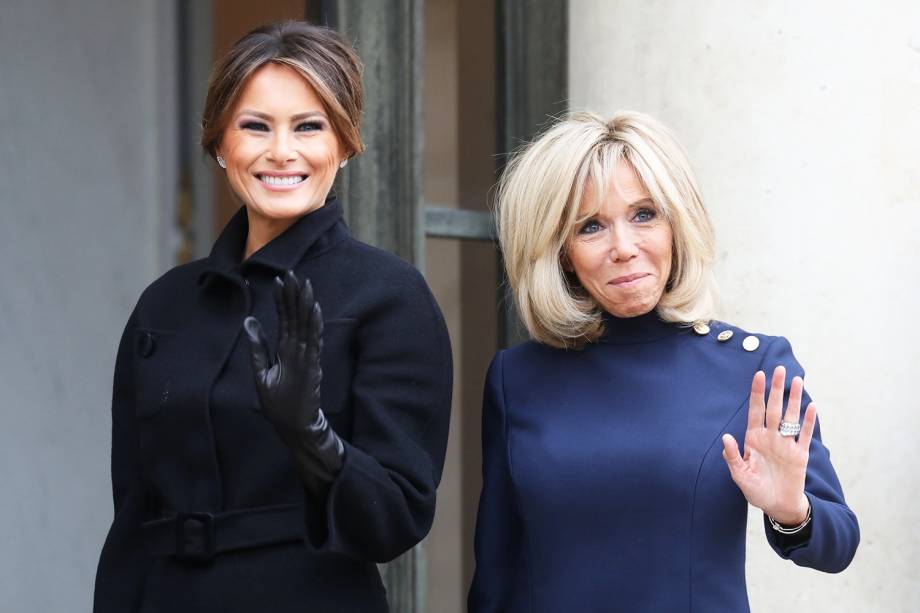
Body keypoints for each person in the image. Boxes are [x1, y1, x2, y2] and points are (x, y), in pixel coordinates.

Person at [93, 21, 452, 613]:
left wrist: (312, 437)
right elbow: (132, 512)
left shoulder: (389, 296)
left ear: (344, 143)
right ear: (218, 144)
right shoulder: (165, 303)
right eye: (255, 126)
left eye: (308, 127)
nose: (281, 151)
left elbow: (398, 517)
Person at [468, 111, 859, 612]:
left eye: (644, 215)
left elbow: (838, 543)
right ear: (561, 252)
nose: (624, 248)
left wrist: (791, 510)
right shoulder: (515, 378)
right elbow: (495, 576)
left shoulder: (754, 368)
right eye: (591, 227)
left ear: (677, 222)